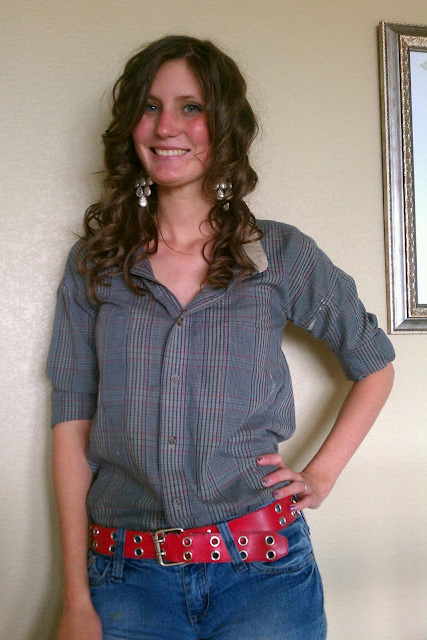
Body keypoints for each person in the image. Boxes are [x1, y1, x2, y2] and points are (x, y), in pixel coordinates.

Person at [46, 35, 395, 640]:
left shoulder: (282, 254)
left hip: (264, 577)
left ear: (225, 125)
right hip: (126, 582)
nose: (166, 126)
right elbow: (71, 425)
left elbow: (376, 365)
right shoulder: (94, 265)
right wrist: (77, 597)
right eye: (150, 106)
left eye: (191, 107)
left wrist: (322, 475)